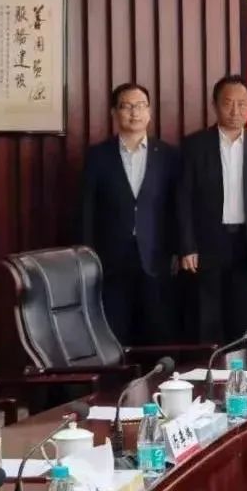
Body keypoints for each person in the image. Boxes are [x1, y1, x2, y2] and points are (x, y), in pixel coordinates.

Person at [78, 83, 179, 345]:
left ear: (150, 112)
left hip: (156, 258)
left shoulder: (168, 155)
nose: (134, 113)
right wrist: (87, 255)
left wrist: (178, 250)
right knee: (114, 334)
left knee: (158, 332)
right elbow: (87, 209)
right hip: (111, 259)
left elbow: (176, 208)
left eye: (141, 106)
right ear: (114, 112)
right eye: (127, 106)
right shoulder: (98, 156)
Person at [177, 75, 247, 343]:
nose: (235, 111)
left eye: (242, 104)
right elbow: (183, 199)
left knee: (240, 317)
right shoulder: (194, 145)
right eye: (228, 103)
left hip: (245, 242)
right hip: (207, 242)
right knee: (205, 317)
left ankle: (237, 366)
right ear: (215, 105)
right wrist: (187, 246)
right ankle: (207, 367)